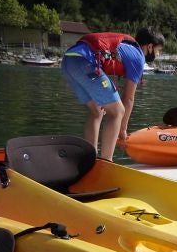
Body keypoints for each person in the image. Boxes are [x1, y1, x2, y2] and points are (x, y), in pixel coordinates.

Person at [61, 28, 164, 162]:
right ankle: (106, 161)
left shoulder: (126, 48)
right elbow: (129, 98)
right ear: (150, 46)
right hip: (85, 62)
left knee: (97, 111)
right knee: (117, 112)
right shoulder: (138, 56)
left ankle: (89, 159)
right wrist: (122, 129)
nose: (158, 54)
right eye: (158, 50)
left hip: (69, 60)